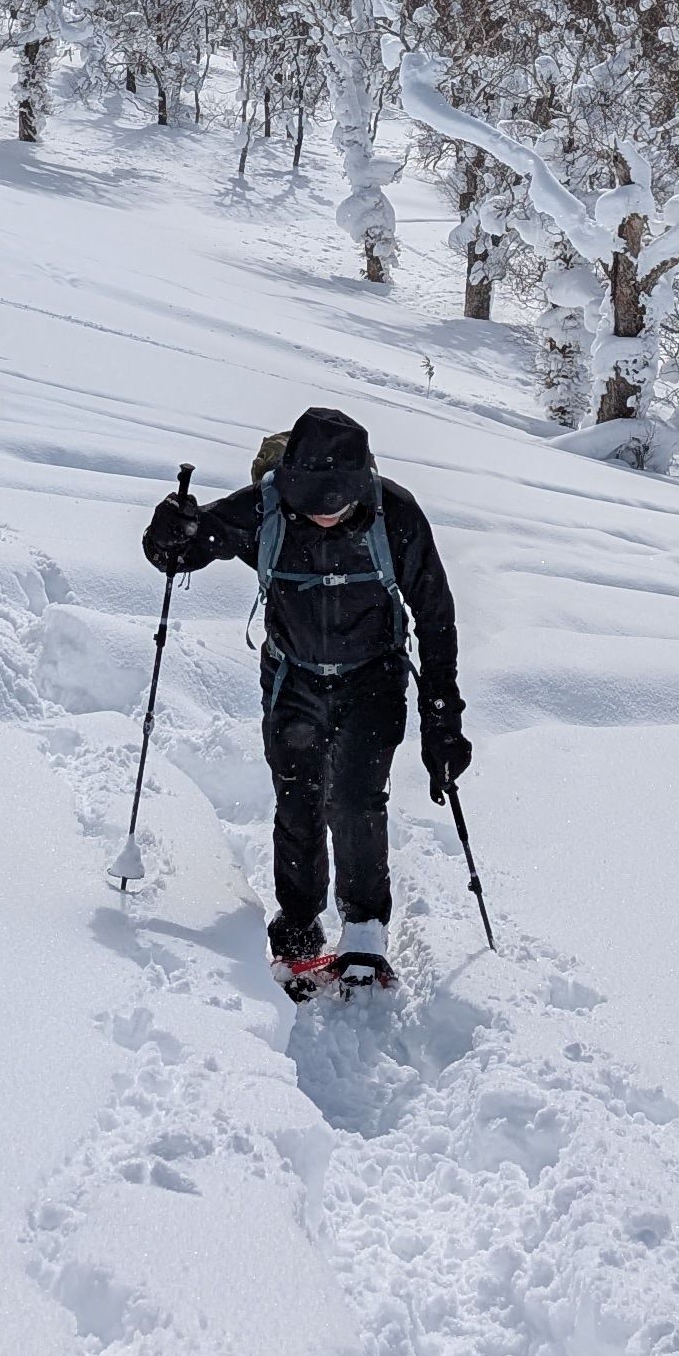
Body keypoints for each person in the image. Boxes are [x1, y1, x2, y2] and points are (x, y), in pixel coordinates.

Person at [143, 406, 465, 996]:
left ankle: (365, 929)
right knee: (298, 798)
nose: (320, 514)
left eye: (334, 503)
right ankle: (297, 929)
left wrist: (443, 718)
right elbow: (181, 551)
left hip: (374, 678)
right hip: (293, 679)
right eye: (309, 500)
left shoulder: (396, 515)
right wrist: (169, 531)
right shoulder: (265, 508)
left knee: (357, 800)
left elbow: (436, 616)